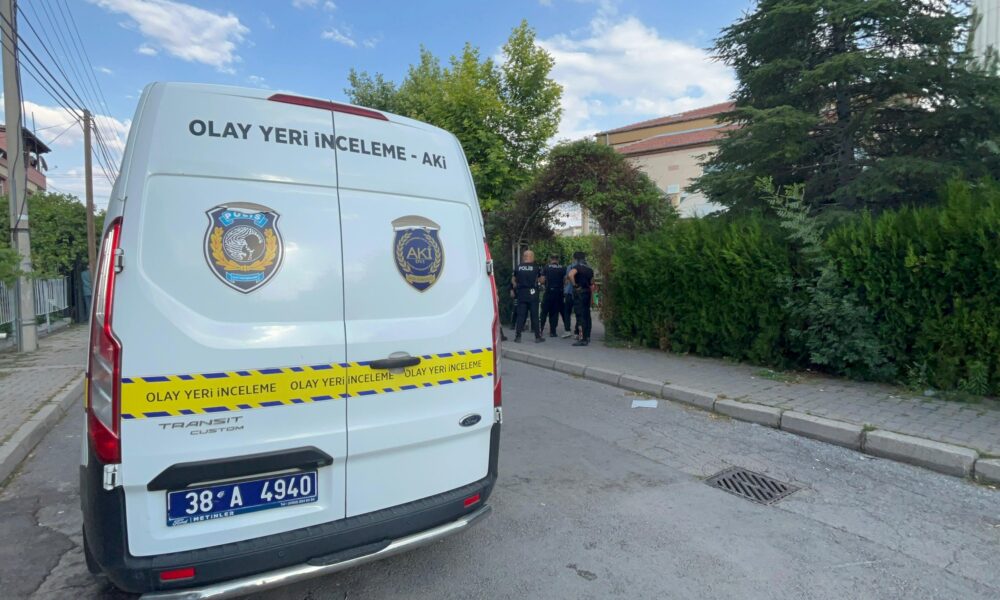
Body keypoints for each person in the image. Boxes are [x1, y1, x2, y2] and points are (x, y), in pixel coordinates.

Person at [511, 249, 545, 343]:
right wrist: (539, 281)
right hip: (533, 293)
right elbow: (542, 280)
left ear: (524, 257)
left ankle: (518, 337)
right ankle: (537, 337)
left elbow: (513, 280)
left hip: (522, 293)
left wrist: (516, 286)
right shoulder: (536, 267)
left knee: (521, 315)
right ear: (531, 257)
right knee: (534, 315)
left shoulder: (518, 267)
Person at [568, 251, 594, 347]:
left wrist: (575, 285)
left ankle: (582, 338)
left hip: (579, 293)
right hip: (587, 292)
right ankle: (587, 336)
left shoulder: (577, 267)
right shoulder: (590, 269)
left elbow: (570, 275)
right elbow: (592, 283)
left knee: (580, 316)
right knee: (587, 315)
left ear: (576, 259)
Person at [541, 253, 568, 338]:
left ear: (550, 259)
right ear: (558, 259)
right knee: (554, 312)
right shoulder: (563, 268)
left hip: (549, 291)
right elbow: (566, 281)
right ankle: (553, 332)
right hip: (559, 292)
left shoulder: (546, 267)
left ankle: (540, 330)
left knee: (544, 311)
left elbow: (542, 280)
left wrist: (544, 284)